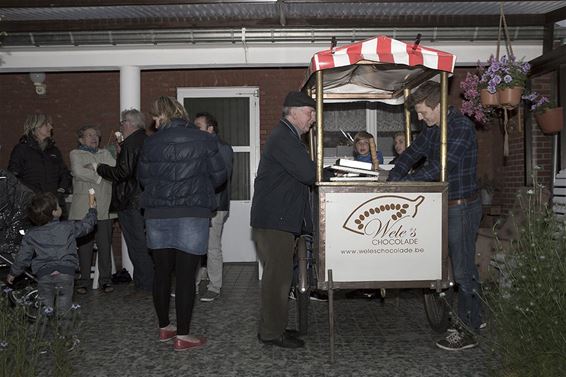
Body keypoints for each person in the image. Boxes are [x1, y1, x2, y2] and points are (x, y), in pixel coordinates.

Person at [387, 81, 482, 351]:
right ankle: (476, 315)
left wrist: (405, 185)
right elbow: (411, 154)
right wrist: (393, 179)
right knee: (464, 265)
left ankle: (466, 331)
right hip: (448, 204)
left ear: (438, 105)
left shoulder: (461, 127)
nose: (420, 118)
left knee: (462, 270)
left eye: (422, 112)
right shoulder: (433, 129)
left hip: (462, 206)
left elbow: (441, 169)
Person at [138, 96, 227, 351]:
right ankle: (184, 336)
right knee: (187, 277)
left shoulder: (150, 143)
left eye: (155, 116)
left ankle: (165, 327)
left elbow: (143, 179)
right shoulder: (204, 140)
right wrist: (199, 188)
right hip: (192, 213)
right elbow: (220, 176)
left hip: (157, 214)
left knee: (162, 273)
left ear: (163, 115)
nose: (154, 121)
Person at [251, 91, 317, 349]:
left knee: (279, 279)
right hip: (275, 222)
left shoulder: (286, 136)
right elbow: (307, 173)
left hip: (277, 220)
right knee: (277, 281)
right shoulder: (284, 137)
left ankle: (274, 327)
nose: (312, 119)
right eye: (310, 113)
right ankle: (270, 334)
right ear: (294, 112)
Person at [7, 192, 97, 320]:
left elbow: (23, 257)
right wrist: (92, 210)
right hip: (66, 273)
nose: (60, 208)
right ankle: (64, 335)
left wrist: (13, 273)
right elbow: (87, 226)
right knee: (64, 306)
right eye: (58, 206)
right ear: (55, 212)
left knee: (45, 307)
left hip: (44, 275)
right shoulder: (67, 228)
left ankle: (43, 334)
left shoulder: (31, 235)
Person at [96, 109, 154, 293]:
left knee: (137, 245)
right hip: (142, 199)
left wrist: (100, 168)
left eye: (122, 123)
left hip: (130, 201)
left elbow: (122, 173)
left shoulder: (131, 143)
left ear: (129, 123)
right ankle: (144, 281)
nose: (120, 126)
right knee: (141, 243)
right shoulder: (145, 140)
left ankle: (144, 285)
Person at [69, 126, 117, 294]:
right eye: (89, 135)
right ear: (81, 139)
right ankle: (83, 281)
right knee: (84, 247)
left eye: (96, 135)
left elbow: (115, 171)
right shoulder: (75, 154)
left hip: (105, 206)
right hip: (83, 208)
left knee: (105, 245)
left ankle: (106, 280)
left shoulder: (105, 154)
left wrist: (95, 166)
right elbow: (78, 171)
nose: (94, 137)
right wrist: (99, 175)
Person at [194, 112, 234, 303]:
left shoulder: (222, 148)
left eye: (198, 126)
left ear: (211, 129)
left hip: (215, 205)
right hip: (200, 204)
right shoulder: (199, 146)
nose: (195, 130)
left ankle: (214, 286)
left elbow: (221, 178)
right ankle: (191, 284)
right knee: (194, 245)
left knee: (212, 246)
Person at [8, 113, 72, 218]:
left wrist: (61, 189)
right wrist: (35, 193)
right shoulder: (21, 149)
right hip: (33, 207)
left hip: (54, 206)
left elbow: (64, 173)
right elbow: (13, 177)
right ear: (36, 126)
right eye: (47, 124)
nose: (51, 127)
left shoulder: (54, 150)